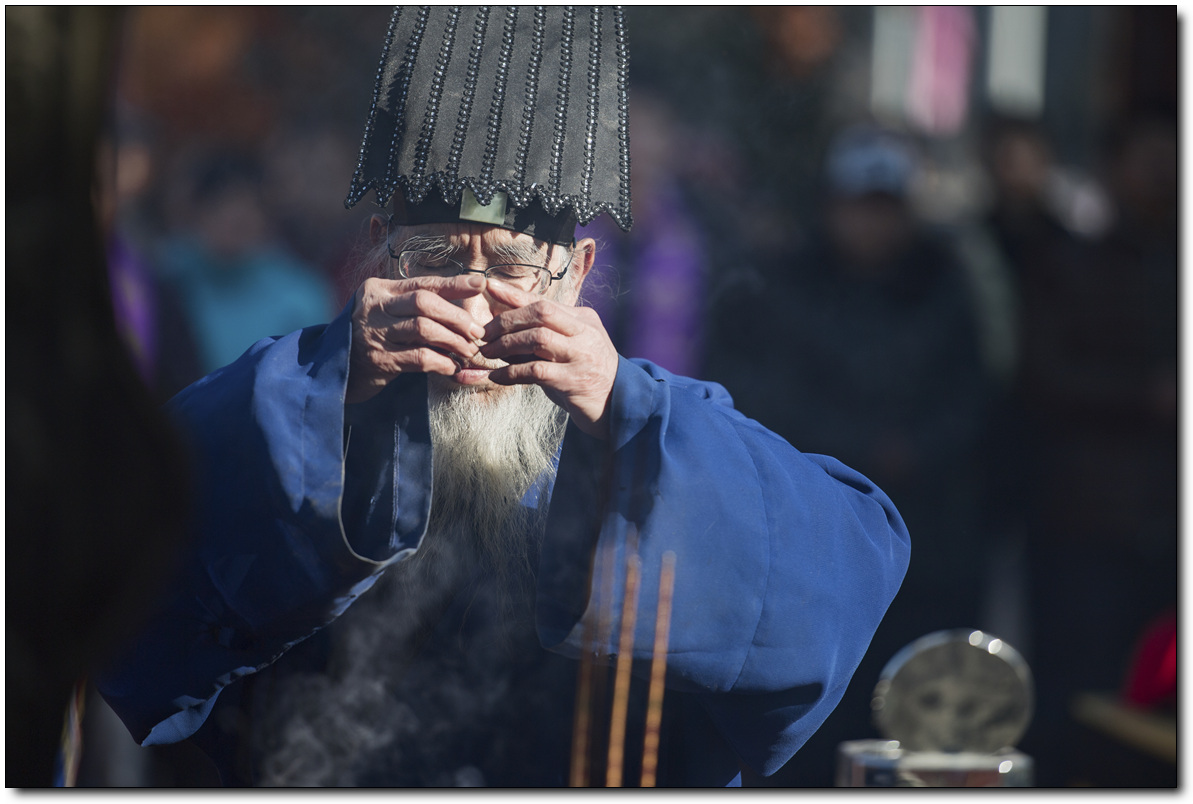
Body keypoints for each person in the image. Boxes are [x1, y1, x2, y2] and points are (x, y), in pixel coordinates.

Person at [95, 7, 909, 787]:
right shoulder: (311, 399)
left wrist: (623, 405)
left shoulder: (641, 422)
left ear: (578, 275)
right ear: (380, 258)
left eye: (513, 267)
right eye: (436, 255)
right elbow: (125, 573)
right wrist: (331, 382)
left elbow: (838, 581)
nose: (475, 305)